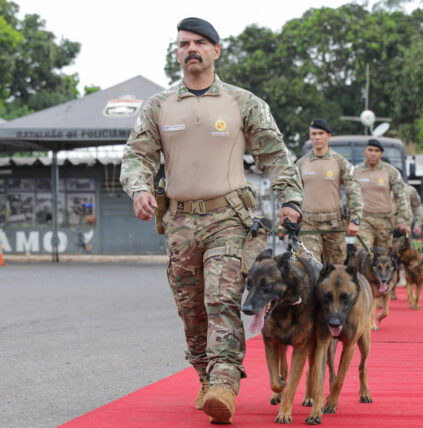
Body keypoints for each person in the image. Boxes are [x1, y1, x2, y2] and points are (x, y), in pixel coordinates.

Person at [120, 17, 303, 424]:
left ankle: (224, 383)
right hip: (181, 222)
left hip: (229, 218)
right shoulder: (159, 105)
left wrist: (291, 199)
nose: (191, 49)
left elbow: (274, 155)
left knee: (221, 298)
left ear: (216, 51)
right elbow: (137, 156)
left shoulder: (243, 102)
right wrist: (140, 188)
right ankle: (205, 376)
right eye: (184, 44)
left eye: (200, 43)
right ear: (177, 52)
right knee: (191, 309)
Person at [296, 118, 363, 264]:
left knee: (335, 269)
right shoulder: (302, 163)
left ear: (328, 136)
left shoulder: (340, 162)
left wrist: (355, 219)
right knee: (308, 265)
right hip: (309, 223)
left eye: (321, 133)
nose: (317, 137)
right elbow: (292, 192)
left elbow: (353, 191)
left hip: (334, 224)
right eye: (314, 134)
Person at [354, 139, 411, 249]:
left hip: (384, 220)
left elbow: (401, 197)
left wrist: (402, 220)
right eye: (370, 150)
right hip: (363, 219)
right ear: (364, 152)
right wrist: (351, 218)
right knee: (363, 251)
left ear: (381, 153)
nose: (373, 154)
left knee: (383, 257)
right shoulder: (355, 171)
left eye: (377, 151)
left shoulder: (391, 172)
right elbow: (350, 195)